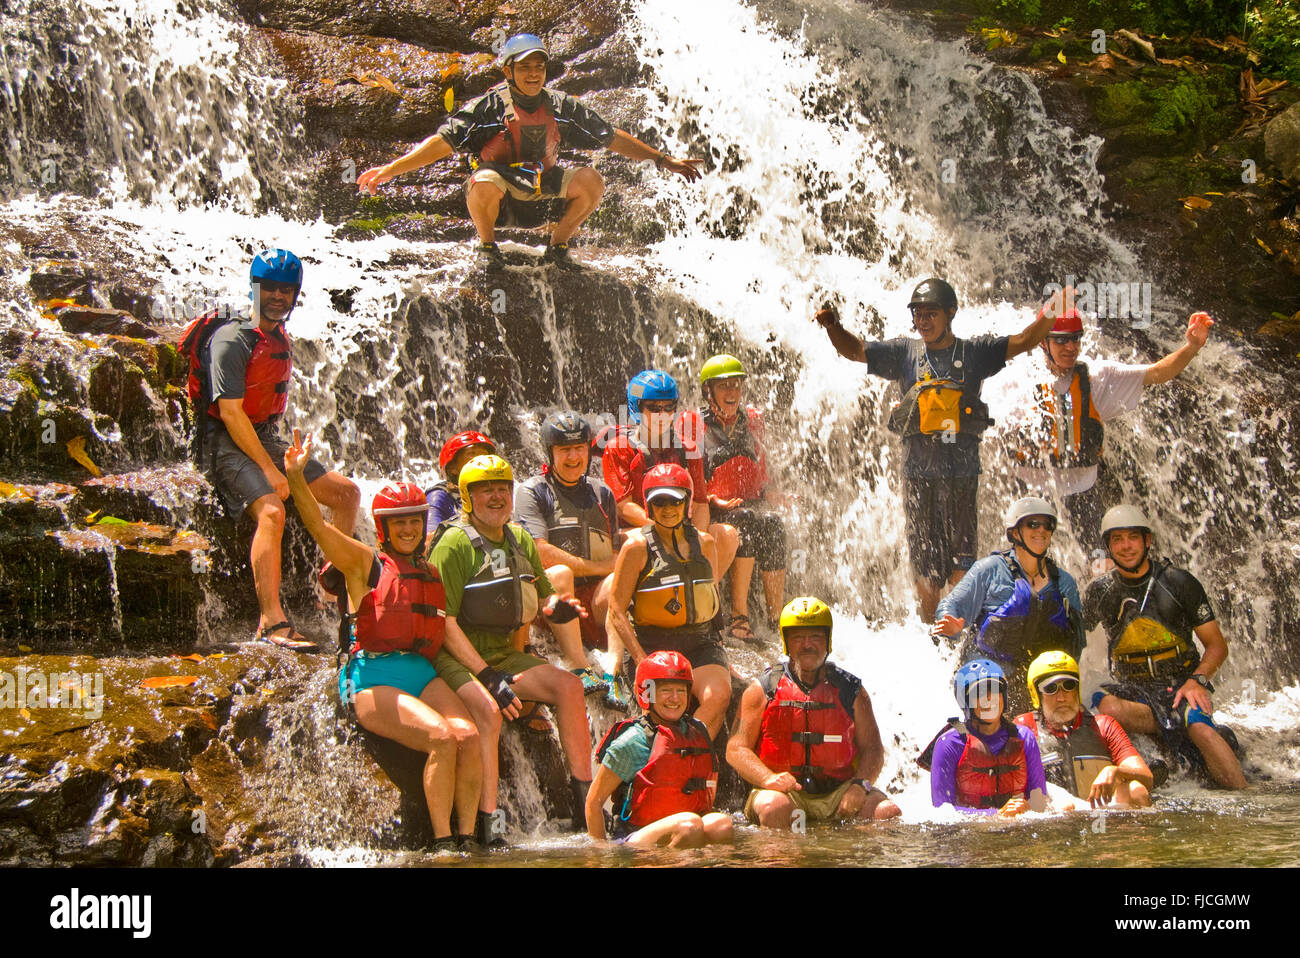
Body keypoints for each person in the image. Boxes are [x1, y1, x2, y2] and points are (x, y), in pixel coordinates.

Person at [813, 279, 1057, 621]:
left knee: (961, 562)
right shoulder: (904, 353)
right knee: (926, 567)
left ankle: (956, 631)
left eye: (931, 314)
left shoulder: (975, 353)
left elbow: (1026, 340)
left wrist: (1057, 308)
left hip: (962, 475)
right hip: (919, 476)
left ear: (951, 313)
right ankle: (931, 633)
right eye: (917, 314)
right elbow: (856, 351)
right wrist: (832, 327)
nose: (923, 321)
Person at [356, 33, 702, 271]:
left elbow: (610, 136)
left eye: (539, 67)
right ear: (508, 71)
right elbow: (441, 143)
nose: (534, 74)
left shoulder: (561, 106)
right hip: (503, 196)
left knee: (592, 181)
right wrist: (389, 171)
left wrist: (662, 159)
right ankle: (488, 247)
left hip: (543, 190)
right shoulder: (488, 108)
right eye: (524, 67)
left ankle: (558, 245)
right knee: (483, 182)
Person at [283, 431, 480, 847]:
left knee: (468, 734)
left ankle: (469, 839)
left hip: (420, 671)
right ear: (384, 528)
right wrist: (297, 477)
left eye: (415, 520)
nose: (409, 529)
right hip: (372, 675)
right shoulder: (363, 563)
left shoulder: (428, 569)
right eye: (400, 522)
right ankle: (444, 844)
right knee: (442, 738)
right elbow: (317, 525)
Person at [186, 249, 360, 649]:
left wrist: (280, 458)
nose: (279, 297)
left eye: (287, 290)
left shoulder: (279, 334)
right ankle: (270, 621)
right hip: (222, 439)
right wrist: (268, 468)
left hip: (262, 434)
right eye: (272, 290)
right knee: (272, 510)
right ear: (256, 288)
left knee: (347, 493)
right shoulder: (233, 339)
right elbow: (230, 413)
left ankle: (332, 583)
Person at [428, 453, 596, 845]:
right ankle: (491, 824)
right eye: (485, 490)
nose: (497, 496)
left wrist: (558, 608)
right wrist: (487, 676)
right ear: (467, 497)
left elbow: (544, 595)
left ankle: (585, 806)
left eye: (503, 488)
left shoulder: (519, 537)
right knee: (490, 710)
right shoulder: (452, 544)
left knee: (570, 687)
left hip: (503, 654)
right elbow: (444, 624)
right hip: (456, 658)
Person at [1011, 301, 1215, 537]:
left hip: (1082, 495)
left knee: (1099, 567)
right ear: (1042, 342)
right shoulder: (1016, 382)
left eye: (1075, 338)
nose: (1070, 347)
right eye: (1061, 340)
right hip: (1030, 496)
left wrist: (1192, 346)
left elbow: (1158, 373)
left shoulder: (1098, 377)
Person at [1082, 505, 1246, 789]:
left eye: (1133, 537)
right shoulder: (1101, 591)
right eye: (1117, 539)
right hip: (1133, 688)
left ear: (1148, 541)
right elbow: (1072, 635)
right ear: (1107, 546)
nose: (1125, 546)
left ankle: (1246, 794)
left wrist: (1198, 681)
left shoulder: (1178, 582)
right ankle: (1169, 726)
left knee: (1199, 728)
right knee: (1106, 706)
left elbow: (1217, 645)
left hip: (1181, 683)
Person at [727, 597, 901, 827]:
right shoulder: (762, 689)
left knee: (886, 811)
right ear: (786, 641)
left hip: (839, 791)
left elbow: (873, 750)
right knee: (774, 808)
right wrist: (768, 779)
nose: (807, 644)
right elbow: (736, 749)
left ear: (827, 640)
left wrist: (860, 786)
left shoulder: (852, 691)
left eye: (815, 636)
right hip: (783, 793)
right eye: (798, 637)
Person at [605, 464, 731, 740]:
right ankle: (669, 756)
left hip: (700, 643)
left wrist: (721, 649)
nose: (668, 508)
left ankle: (682, 754)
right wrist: (641, 661)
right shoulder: (636, 548)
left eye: (675, 500)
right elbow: (616, 610)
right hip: (653, 644)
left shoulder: (706, 543)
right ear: (649, 507)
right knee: (660, 712)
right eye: (659, 502)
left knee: (719, 695)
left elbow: (712, 599)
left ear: (687, 502)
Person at [514, 411, 627, 707]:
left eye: (579, 448)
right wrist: (596, 567)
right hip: (549, 602)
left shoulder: (602, 492)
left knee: (617, 581)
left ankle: (613, 673)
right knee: (561, 573)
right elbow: (538, 551)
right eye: (565, 450)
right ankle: (580, 666)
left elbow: (615, 559)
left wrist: (606, 569)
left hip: (592, 599)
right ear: (550, 453)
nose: (574, 457)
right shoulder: (532, 491)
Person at [931, 497, 1083, 716]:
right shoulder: (989, 569)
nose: (1041, 530)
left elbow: (1076, 645)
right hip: (988, 674)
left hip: (1037, 682)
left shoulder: (1064, 583)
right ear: (1014, 533)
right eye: (1032, 524)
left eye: (1046, 525)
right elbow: (950, 605)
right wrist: (951, 626)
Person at [677, 354, 787, 640]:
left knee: (774, 524)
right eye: (724, 385)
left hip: (744, 502)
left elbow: (759, 470)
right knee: (746, 519)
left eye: (736, 385)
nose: (732, 393)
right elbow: (692, 482)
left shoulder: (752, 421)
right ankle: (740, 617)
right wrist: (712, 499)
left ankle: (777, 619)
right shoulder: (694, 424)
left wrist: (769, 493)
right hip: (713, 509)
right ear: (708, 391)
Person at [602, 369, 740, 581]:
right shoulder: (618, 448)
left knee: (727, 535)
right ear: (637, 408)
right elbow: (623, 506)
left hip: (680, 527)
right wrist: (664, 528)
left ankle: (705, 595)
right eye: (654, 408)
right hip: (637, 529)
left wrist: (694, 537)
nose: (663, 415)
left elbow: (701, 504)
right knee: (635, 541)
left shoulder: (688, 448)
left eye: (669, 408)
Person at [586, 651, 733, 847]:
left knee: (720, 824)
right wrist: (600, 856)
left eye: (681, 691)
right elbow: (593, 802)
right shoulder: (633, 740)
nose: (675, 698)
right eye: (666, 690)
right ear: (647, 693)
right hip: (634, 836)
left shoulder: (695, 731)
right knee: (689, 825)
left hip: (686, 827)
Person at [1014, 651, 1155, 808]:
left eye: (1069, 686)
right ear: (1037, 695)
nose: (1062, 697)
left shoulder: (1103, 726)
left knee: (1136, 790)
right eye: (1051, 688)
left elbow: (1146, 776)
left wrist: (1116, 771)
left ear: (1077, 690)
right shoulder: (1023, 729)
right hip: (1050, 816)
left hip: (1097, 814)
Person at [918, 659, 1047, 815]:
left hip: (1018, 828)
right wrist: (995, 816)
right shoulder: (949, 744)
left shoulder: (1024, 737)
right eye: (979, 693)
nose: (989, 698)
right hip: (970, 834)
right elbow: (942, 812)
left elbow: (1040, 803)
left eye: (994, 690)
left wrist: (1027, 808)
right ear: (965, 702)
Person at [427, 430, 496, 528]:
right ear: (452, 468)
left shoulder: (497, 492)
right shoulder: (439, 496)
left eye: (485, 454)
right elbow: (430, 538)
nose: (482, 459)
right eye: (472, 454)